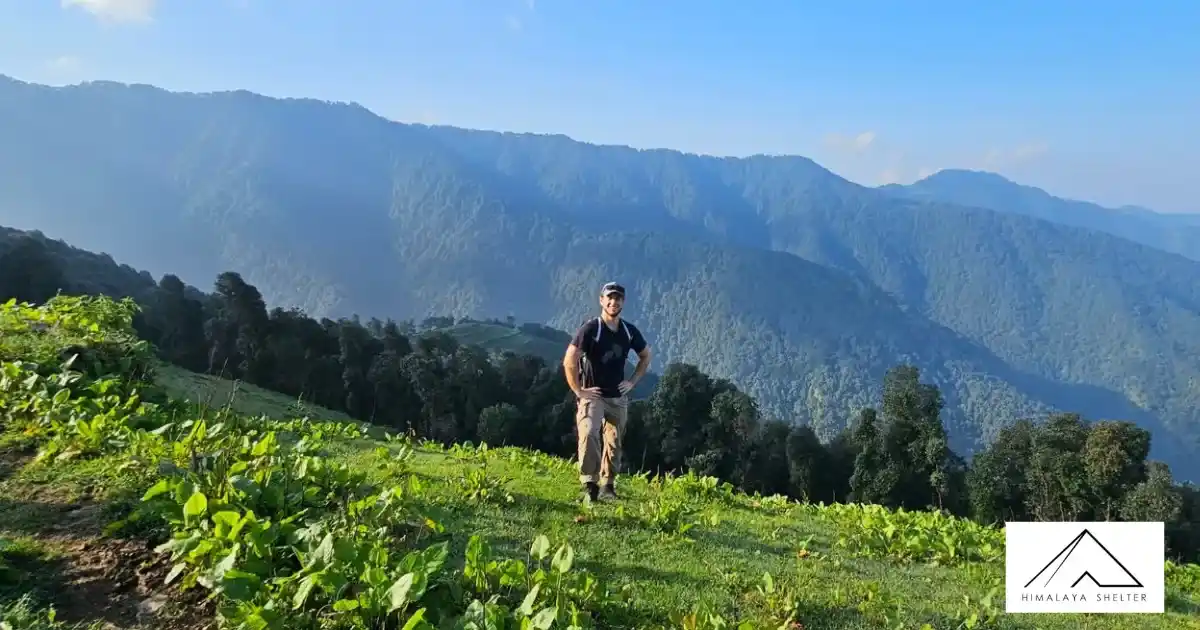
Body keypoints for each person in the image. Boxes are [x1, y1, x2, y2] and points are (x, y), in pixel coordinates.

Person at [563, 281, 652, 502]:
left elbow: (645, 356)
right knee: (589, 432)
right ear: (601, 301)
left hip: (617, 396)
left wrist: (632, 382)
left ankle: (608, 485)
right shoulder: (592, 329)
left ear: (623, 302)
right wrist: (578, 390)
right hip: (593, 395)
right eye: (609, 298)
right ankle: (589, 483)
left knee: (615, 440)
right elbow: (569, 360)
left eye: (618, 298)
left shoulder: (628, 332)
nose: (614, 302)